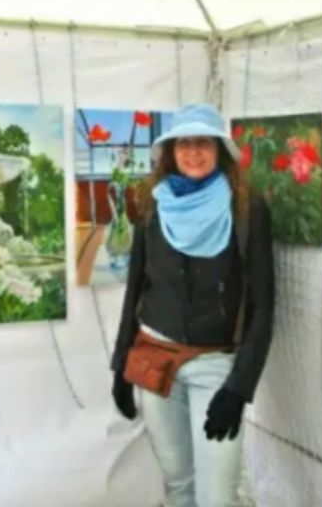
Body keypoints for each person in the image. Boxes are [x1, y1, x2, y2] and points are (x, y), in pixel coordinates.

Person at [110, 103, 275, 507]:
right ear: (171, 151)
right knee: (178, 486)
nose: (193, 151)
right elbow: (136, 290)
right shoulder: (153, 203)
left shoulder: (246, 208)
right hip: (154, 357)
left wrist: (239, 388)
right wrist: (121, 367)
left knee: (217, 497)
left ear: (219, 149)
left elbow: (263, 305)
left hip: (215, 365)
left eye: (203, 142)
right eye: (184, 142)